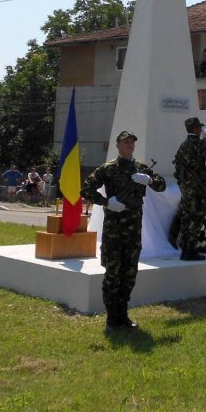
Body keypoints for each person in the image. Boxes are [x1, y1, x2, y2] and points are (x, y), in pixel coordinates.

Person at [81, 130, 166, 332]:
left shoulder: (141, 168)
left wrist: (150, 181)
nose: (129, 145)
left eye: (131, 142)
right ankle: (112, 318)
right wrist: (106, 203)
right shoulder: (108, 169)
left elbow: (162, 186)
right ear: (118, 146)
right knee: (113, 274)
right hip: (114, 230)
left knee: (129, 273)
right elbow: (86, 189)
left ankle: (124, 315)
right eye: (125, 142)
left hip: (134, 229)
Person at [173, 117, 206, 261]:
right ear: (195, 129)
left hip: (187, 189)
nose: (201, 130)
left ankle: (185, 250)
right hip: (197, 189)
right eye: (199, 128)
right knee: (197, 218)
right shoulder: (199, 144)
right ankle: (190, 251)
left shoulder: (183, 145)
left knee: (187, 218)